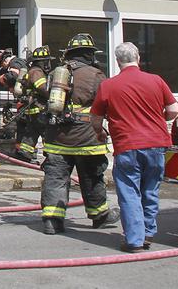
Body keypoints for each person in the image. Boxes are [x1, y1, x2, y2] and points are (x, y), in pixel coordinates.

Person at [90, 41, 178, 252]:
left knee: (129, 193)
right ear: (138, 58)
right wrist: (160, 119)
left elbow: (95, 118)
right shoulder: (156, 80)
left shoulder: (109, 85)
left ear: (117, 61)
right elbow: (174, 110)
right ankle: (148, 232)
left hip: (127, 145)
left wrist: (100, 132)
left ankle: (135, 240)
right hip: (156, 144)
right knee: (150, 190)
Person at [35, 34, 117, 235]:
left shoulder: (56, 73)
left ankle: (52, 220)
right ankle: (99, 215)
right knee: (91, 176)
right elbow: (106, 102)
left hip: (57, 136)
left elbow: (45, 94)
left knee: (55, 177)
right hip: (87, 138)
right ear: (89, 55)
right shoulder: (96, 75)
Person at [0, 49, 39, 162]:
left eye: (1, 64)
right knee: (23, 127)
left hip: (27, 101)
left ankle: (26, 154)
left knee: (26, 128)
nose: (2, 67)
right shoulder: (19, 63)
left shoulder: (15, 63)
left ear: (5, 60)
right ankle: (22, 153)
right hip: (25, 101)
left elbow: (11, 76)